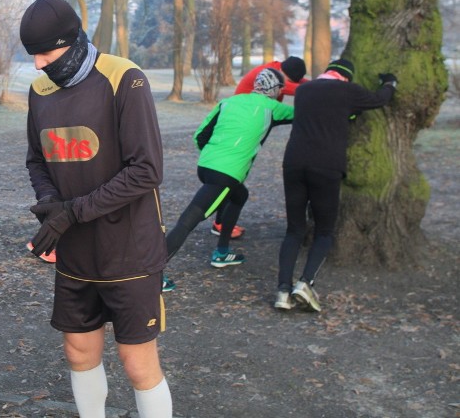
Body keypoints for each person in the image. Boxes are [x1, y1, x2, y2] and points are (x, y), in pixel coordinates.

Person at [21, 0, 171, 418]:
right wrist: (51, 204)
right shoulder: (40, 91)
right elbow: (37, 159)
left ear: (70, 42)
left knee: (137, 364)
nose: (38, 64)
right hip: (75, 251)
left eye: (45, 53)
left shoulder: (124, 78)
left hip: (129, 252)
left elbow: (146, 170)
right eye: (32, 54)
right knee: (78, 352)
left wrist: (74, 211)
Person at [275, 59, 396, 312]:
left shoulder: (304, 90)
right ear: (347, 77)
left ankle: (283, 291)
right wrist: (389, 83)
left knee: (294, 230)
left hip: (294, 163)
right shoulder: (348, 91)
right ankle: (305, 283)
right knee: (324, 231)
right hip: (326, 166)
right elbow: (379, 99)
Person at [163, 68, 294, 270]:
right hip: (225, 175)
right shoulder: (272, 107)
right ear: (274, 89)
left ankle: (222, 252)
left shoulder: (229, 102)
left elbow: (200, 135)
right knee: (188, 221)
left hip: (206, 167)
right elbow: (303, 113)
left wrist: (214, 157)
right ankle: (151, 274)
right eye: (280, 90)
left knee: (239, 195)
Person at [210, 56, 308, 240]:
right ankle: (219, 222)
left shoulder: (277, 69)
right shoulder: (274, 77)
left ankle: (222, 221)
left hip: (252, 120)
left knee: (238, 176)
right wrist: (327, 87)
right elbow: (303, 89)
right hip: (244, 124)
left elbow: (302, 83)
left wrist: (323, 82)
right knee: (233, 176)